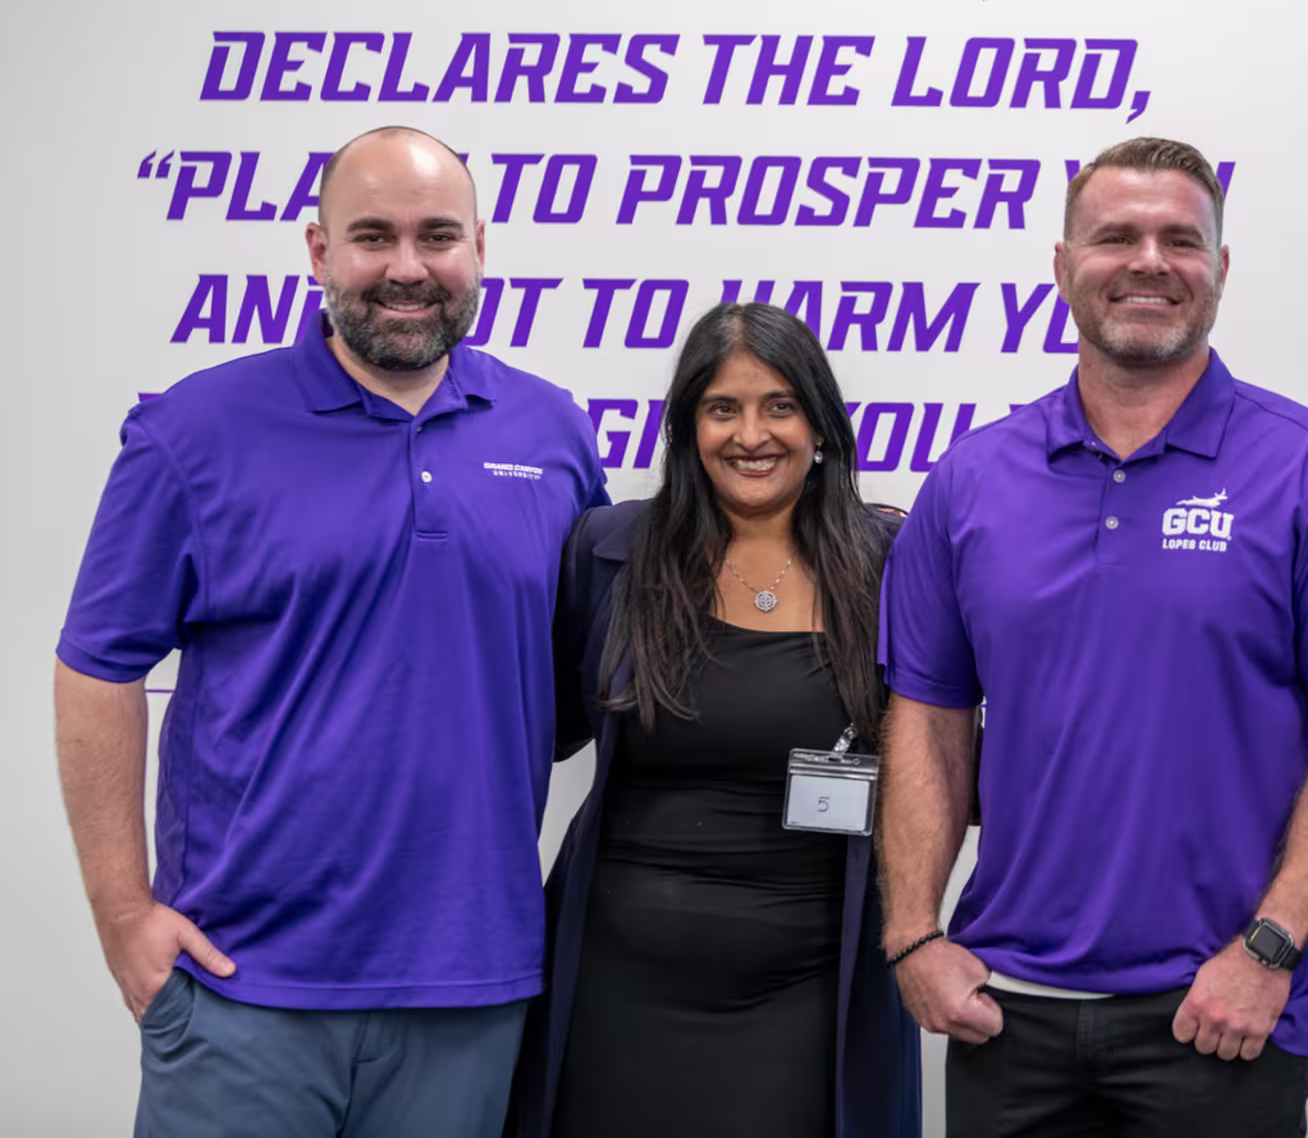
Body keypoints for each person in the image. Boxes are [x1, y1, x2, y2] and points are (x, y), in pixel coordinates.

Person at [876, 137, 1308, 1136]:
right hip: (1009, 1009)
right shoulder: (970, 480)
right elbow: (927, 714)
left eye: (1181, 238)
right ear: (1061, 265)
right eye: (1116, 236)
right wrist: (914, 931)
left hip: (1220, 1009)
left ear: (1221, 270)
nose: (1148, 261)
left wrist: (1268, 948)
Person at [53, 126, 609, 1136]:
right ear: (318, 251)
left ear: (480, 245)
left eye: (438, 235)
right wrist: (122, 913)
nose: (407, 267)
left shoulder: (554, 433)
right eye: (372, 236)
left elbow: (585, 664)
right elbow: (97, 667)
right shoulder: (194, 430)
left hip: (471, 987)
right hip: (242, 985)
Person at [513, 302, 921, 1138]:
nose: (752, 434)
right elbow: (535, 733)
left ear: (820, 422)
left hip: (808, 993)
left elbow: (942, 754)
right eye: (722, 408)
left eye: (779, 405)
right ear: (687, 425)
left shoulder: (892, 565)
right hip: (615, 985)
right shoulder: (610, 551)